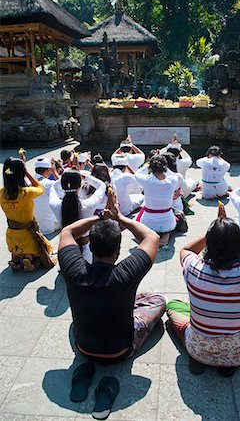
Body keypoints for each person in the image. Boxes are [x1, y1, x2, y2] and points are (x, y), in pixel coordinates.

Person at [58, 192, 166, 364]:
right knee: (158, 299)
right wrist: (120, 217)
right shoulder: (126, 273)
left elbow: (67, 232)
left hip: (84, 347)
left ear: (91, 247)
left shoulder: (74, 270)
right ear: (118, 250)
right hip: (120, 351)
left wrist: (99, 216)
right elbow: (152, 237)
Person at [166, 214, 240, 376]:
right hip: (239, 354)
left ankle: (199, 356)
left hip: (197, 349)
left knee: (173, 304)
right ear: (239, 245)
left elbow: (186, 250)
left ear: (208, 244)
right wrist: (232, 233)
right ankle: (227, 364)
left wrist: (215, 232)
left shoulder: (194, 268)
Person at [0, 157, 54, 271]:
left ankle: (15, 259)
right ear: (22, 173)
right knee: (41, 250)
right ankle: (29, 260)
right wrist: (28, 173)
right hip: (28, 235)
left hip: (11, 234)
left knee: (17, 249)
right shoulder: (27, 193)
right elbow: (40, 188)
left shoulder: (1, 193)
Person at [49, 169, 106, 263]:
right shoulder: (88, 205)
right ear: (80, 186)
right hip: (86, 253)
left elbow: (53, 187)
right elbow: (102, 186)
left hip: (64, 252)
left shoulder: (55, 205)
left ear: (63, 186)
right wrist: (86, 177)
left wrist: (65, 177)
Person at [135, 154, 178, 249]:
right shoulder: (173, 180)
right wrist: (164, 167)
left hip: (147, 221)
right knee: (166, 226)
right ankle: (165, 237)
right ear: (165, 167)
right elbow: (172, 174)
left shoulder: (146, 180)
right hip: (168, 221)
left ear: (151, 167)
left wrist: (148, 165)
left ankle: (152, 238)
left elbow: (137, 173)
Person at [34, 157, 60, 234]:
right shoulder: (48, 184)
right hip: (49, 226)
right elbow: (64, 188)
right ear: (47, 170)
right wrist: (55, 172)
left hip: (35, 224)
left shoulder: (28, 181)